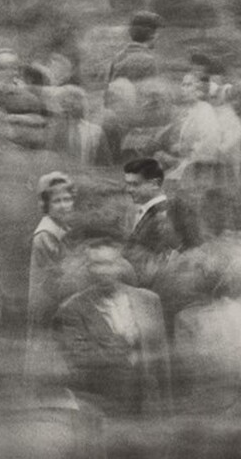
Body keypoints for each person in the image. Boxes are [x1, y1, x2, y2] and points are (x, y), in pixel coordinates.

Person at [54, 233, 171, 417]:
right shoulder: (71, 310)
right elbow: (80, 363)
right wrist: (123, 343)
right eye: (96, 264)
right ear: (88, 268)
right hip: (102, 411)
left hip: (148, 410)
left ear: (120, 264)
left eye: (109, 263)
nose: (103, 271)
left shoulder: (148, 301)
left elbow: (162, 364)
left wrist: (167, 410)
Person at [27, 172, 76, 335]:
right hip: (49, 302)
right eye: (57, 201)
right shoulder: (46, 234)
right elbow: (56, 274)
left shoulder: (65, 226)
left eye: (67, 200)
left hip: (64, 297)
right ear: (47, 205)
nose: (64, 206)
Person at [122, 157, 183, 287]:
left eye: (135, 184)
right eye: (127, 184)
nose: (128, 189)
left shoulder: (164, 214)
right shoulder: (143, 211)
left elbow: (163, 262)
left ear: (154, 184)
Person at [107, 11, 161, 84]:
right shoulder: (149, 61)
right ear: (151, 35)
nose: (158, 36)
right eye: (157, 32)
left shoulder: (118, 58)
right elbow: (152, 92)